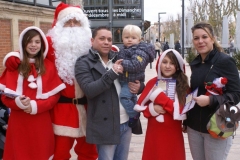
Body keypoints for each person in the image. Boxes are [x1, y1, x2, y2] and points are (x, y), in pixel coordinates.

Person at [4, 2, 98, 160]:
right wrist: (14, 56)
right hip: (60, 110)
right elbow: (31, 48)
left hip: (88, 110)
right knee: (59, 153)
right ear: (60, 25)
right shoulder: (50, 42)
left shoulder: (90, 44)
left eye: (77, 21)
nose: (73, 25)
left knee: (89, 153)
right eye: (68, 21)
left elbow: (106, 51)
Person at [74, 26, 144, 160]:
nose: (106, 42)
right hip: (104, 125)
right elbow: (89, 90)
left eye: (109, 39)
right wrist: (111, 73)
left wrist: (140, 86)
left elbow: (137, 74)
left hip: (126, 122)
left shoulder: (119, 57)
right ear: (92, 40)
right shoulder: (83, 62)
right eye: (102, 38)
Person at [0, 26, 66, 160]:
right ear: (23, 43)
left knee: (40, 154)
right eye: (29, 41)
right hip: (18, 122)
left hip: (41, 122)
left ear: (42, 44)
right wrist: (17, 103)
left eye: (37, 42)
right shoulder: (14, 66)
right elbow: (4, 97)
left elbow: (54, 97)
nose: (33, 45)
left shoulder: (49, 66)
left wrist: (36, 106)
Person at [185, 21, 240, 160]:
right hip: (194, 127)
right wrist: (186, 119)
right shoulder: (196, 63)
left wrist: (210, 100)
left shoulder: (225, 61)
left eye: (205, 37)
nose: (200, 41)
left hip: (217, 125)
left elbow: (236, 94)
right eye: (196, 38)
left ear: (213, 39)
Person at [134, 49, 189, 160]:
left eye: (172, 63)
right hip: (154, 132)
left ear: (177, 66)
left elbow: (181, 112)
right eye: (164, 62)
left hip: (173, 132)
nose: (167, 66)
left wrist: (159, 97)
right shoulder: (152, 82)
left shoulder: (184, 86)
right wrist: (152, 109)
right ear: (159, 63)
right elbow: (141, 107)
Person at [118, 24, 155, 128]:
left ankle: (134, 115)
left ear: (139, 40)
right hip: (125, 79)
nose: (130, 40)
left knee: (124, 97)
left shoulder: (140, 51)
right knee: (132, 98)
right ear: (122, 38)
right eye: (127, 37)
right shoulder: (124, 49)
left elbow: (136, 64)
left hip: (131, 81)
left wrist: (121, 64)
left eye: (133, 38)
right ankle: (135, 108)